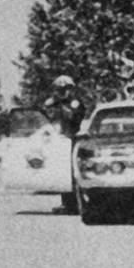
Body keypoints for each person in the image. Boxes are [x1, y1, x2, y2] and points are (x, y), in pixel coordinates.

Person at [43, 75, 86, 213]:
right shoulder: (55, 102)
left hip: (72, 139)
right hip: (60, 140)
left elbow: (73, 117)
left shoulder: (75, 103)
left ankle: (74, 204)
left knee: (72, 173)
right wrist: (52, 103)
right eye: (59, 89)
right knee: (63, 172)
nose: (62, 92)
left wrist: (62, 105)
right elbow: (44, 110)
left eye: (65, 89)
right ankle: (67, 203)